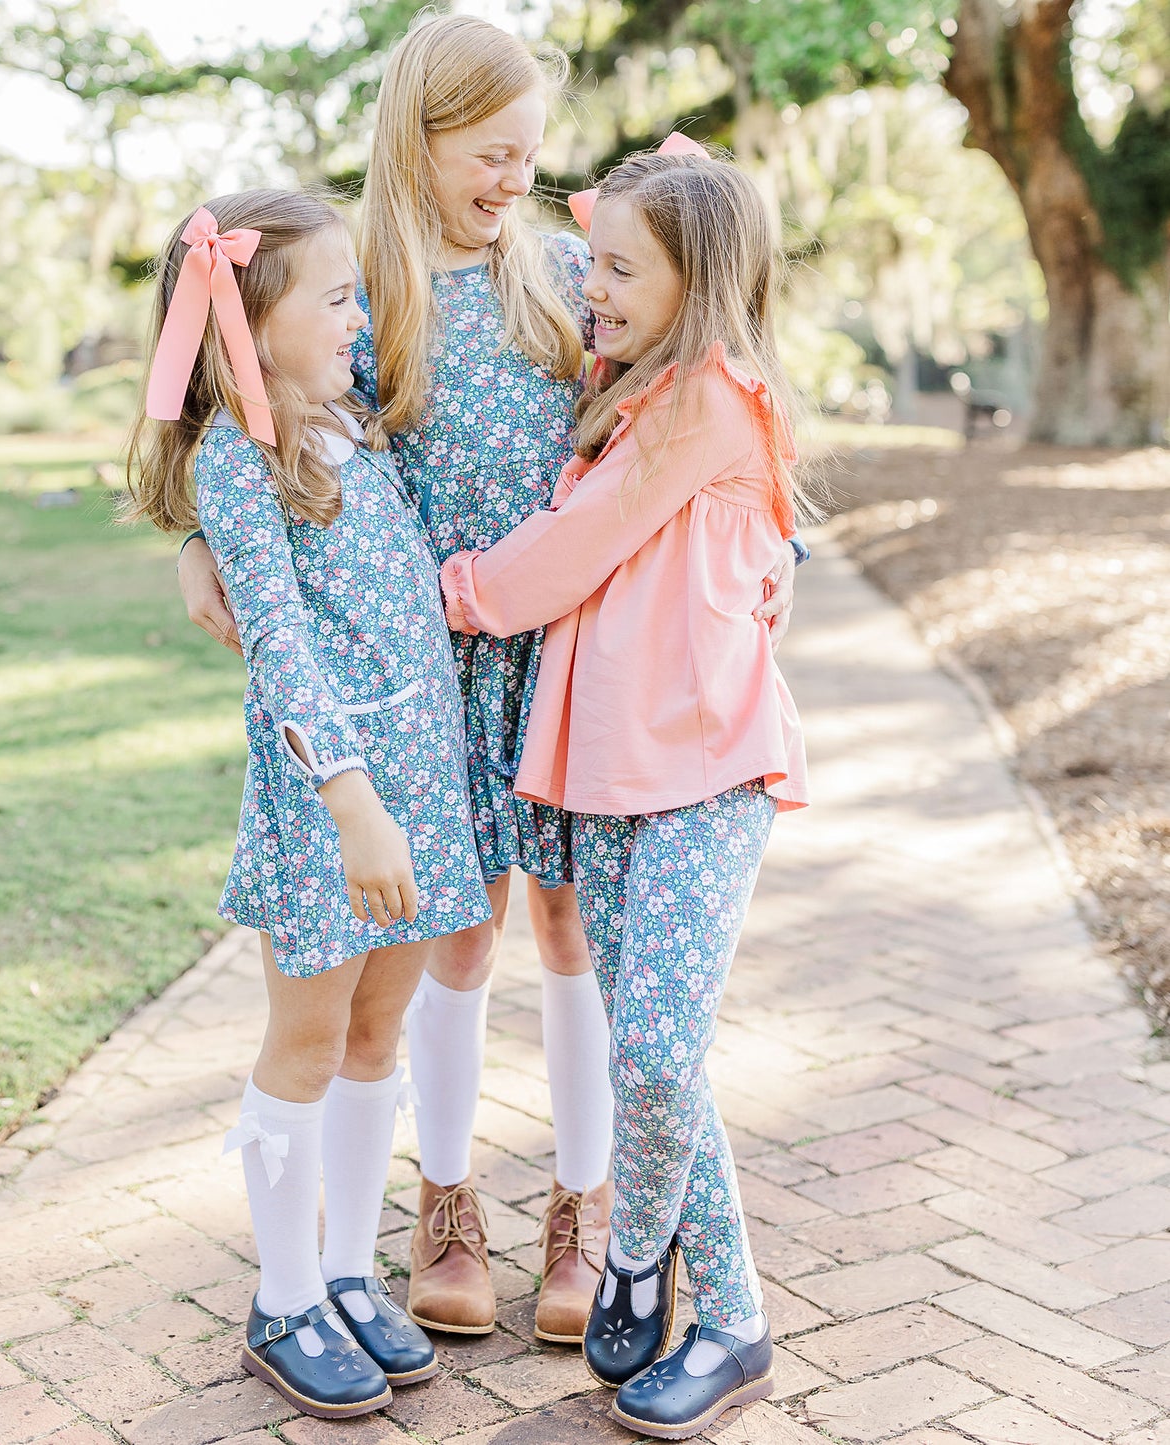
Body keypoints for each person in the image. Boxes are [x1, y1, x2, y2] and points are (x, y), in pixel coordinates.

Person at [177, 15, 799, 1343]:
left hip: (568, 655)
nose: (515, 177)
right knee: (453, 938)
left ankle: (584, 1210)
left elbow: (693, 396)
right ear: (420, 135)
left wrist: (771, 537)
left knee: (570, 930)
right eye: (490, 152)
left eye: (529, 154)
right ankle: (443, 1204)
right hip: (427, 669)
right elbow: (266, 417)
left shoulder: (568, 275)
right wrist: (197, 536)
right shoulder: (366, 288)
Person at [438, 141, 811, 1439]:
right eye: (589, 261)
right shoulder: (626, 397)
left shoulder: (710, 396)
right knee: (655, 1050)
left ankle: (706, 1303)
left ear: (692, 278)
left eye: (614, 267)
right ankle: (655, 1274)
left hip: (706, 771)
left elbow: (569, 553)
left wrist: (446, 595)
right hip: (598, 778)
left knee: (653, 1046)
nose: (587, 285)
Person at [123, 189, 491, 1420]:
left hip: (422, 788)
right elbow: (277, 640)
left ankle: (345, 1269)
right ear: (253, 322)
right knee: (306, 1038)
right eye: (333, 297)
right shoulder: (243, 460)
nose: (359, 315)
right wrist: (349, 801)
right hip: (332, 802)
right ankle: (282, 1296)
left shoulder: (354, 422)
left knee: (376, 1033)